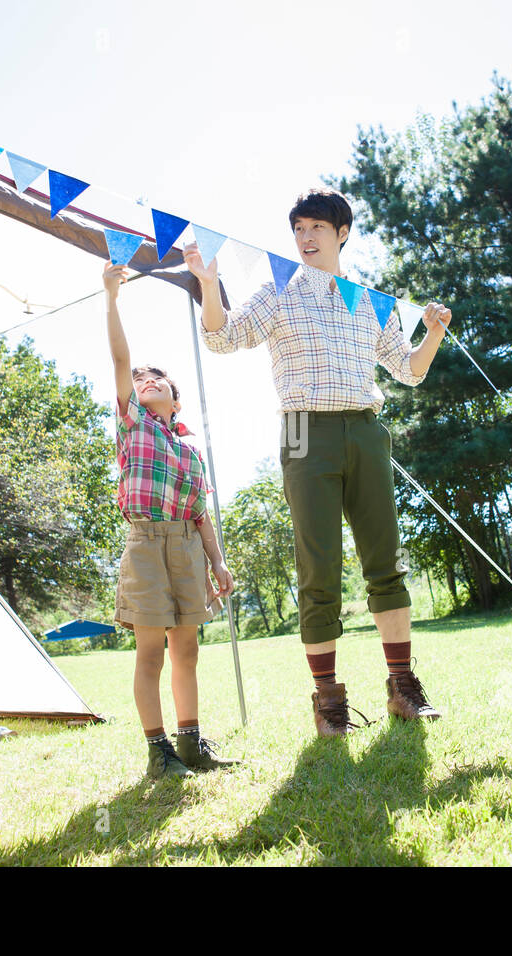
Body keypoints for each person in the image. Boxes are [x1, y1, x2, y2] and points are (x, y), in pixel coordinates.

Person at [184, 188, 452, 736]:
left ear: (342, 233)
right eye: (299, 230)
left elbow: (408, 370)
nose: (306, 239)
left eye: (317, 229)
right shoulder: (276, 290)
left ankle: (403, 688)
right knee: (319, 562)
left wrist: (435, 334)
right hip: (304, 430)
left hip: (366, 429)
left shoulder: (370, 301)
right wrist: (209, 286)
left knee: (385, 557)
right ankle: (328, 702)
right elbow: (222, 338)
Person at [104, 260, 238, 777]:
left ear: (175, 397)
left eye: (156, 377)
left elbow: (201, 516)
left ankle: (191, 744)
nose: (144, 380)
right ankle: (158, 752)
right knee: (151, 654)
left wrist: (218, 565)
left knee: (187, 651)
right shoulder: (132, 423)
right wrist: (112, 299)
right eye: (139, 380)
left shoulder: (188, 450)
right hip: (145, 544)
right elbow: (121, 358)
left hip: (186, 547)